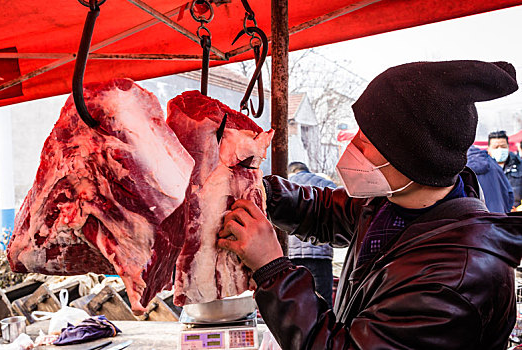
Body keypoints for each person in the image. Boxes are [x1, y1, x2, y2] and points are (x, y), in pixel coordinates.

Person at [217, 60, 522, 349]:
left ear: (412, 161)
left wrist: (272, 268)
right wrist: (263, 192)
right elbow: (326, 211)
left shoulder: (455, 278)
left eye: (366, 142)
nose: (351, 150)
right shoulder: (393, 202)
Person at [287, 161, 336, 306]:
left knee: (294, 304)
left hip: (291, 256)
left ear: (291, 172)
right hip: (320, 255)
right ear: (307, 171)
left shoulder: (284, 185)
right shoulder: (326, 184)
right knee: (323, 304)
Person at [466, 145, 514, 213]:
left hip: (473, 219)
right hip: (498, 216)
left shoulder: (459, 167)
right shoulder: (493, 164)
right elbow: (510, 194)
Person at [488, 130, 522, 208]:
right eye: (496, 147)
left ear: (508, 147)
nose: (500, 150)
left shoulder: (520, 165)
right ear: (488, 149)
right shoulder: (483, 169)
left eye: (503, 147)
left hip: (515, 214)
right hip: (492, 214)